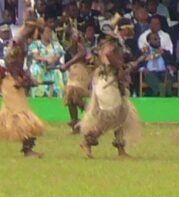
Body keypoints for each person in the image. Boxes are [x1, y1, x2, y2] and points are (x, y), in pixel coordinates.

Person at [80, 17, 141, 159]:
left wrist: (126, 67)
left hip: (114, 83)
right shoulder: (112, 41)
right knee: (111, 115)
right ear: (124, 28)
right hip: (106, 82)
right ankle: (88, 141)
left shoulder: (119, 42)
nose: (132, 30)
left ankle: (121, 149)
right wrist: (120, 68)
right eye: (130, 28)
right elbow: (108, 53)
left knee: (122, 115)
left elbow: (116, 58)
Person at [0, 11, 45, 158]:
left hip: (13, 79)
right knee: (22, 115)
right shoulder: (18, 40)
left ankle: (28, 148)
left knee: (15, 114)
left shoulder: (22, 39)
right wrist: (17, 78)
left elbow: (18, 64)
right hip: (11, 82)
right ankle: (28, 150)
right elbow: (8, 60)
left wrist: (26, 77)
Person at [62, 28, 92, 133]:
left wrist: (67, 64)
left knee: (73, 93)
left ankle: (94, 113)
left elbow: (82, 54)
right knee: (70, 98)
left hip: (81, 71)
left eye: (77, 32)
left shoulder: (81, 45)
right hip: (73, 72)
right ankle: (75, 123)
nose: (77, 34)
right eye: (74, 33)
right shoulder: (71, 46)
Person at [28, 25, 65, 97]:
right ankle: (37, 94)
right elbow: (35, 56)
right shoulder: (35, 44)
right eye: (48, 32)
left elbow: (58, 55)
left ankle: (58, 95)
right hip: (40, 67)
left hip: (53, 67)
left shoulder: (56, 44)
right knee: (37, 69)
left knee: (58, 72)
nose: (50, 34)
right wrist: (46, 59)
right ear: (41, 34)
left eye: (51, 32)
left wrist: (52, 60)